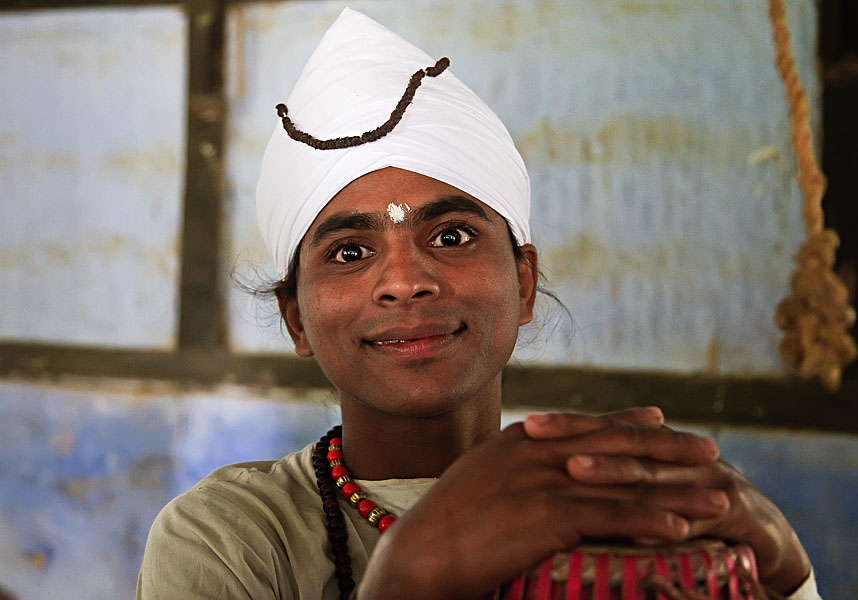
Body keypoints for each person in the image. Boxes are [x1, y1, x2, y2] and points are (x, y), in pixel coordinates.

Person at [137, 7, 820, 599]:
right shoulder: (230, 536)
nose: (404, 281)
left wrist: (791, 577)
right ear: (296, 318)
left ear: (523, 283)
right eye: (350, 252)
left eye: (452, 235)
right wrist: (410, 579)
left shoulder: (615, 504)